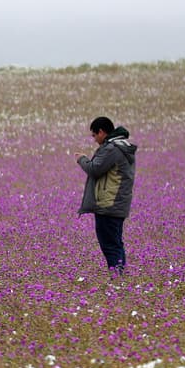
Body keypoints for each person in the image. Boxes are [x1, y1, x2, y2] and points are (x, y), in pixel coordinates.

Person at [76, 116, 138, 274]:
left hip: (108, 204)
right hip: (116, 204)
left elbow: (94, 169)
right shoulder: (120, 147)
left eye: (94, 135)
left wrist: (81, 159)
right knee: (115, 243)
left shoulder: (112, 149)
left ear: (102, 132)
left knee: (110, 245)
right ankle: (119, 275)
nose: (94, 139)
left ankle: (116, 276)